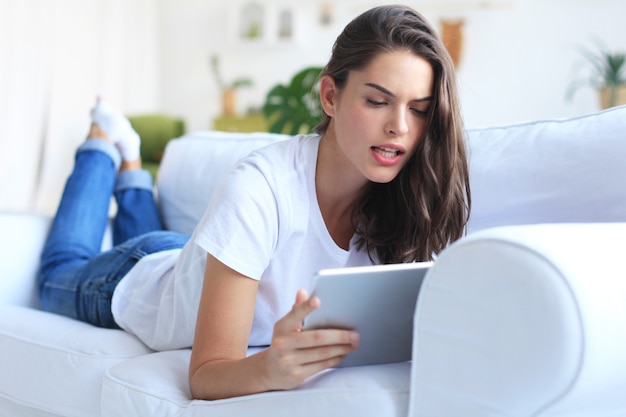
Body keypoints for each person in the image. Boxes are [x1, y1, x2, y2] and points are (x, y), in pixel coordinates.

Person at [38, 5, 470, 401]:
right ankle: (102, 146)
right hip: (137, 278)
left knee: (168, 252)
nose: (399, 127)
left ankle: (132, 162)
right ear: (330, 97)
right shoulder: (261, 187)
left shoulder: (412, 197)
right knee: (58, 269)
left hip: (194, 261)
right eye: (377, 101)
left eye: (419, 109)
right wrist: (270, 368)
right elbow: (205, 375)